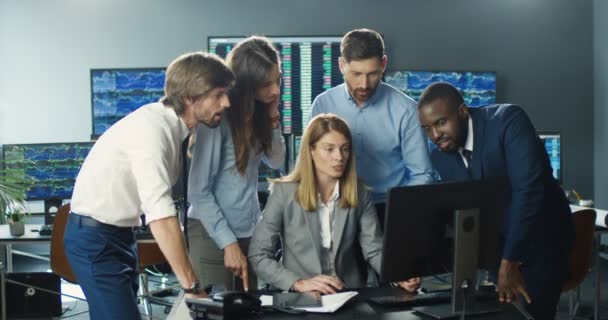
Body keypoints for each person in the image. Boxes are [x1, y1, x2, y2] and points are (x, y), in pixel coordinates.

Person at [64, 52, 234, 319]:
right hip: (96, 240)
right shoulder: (151, 132)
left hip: (120, 236)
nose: (226, 103)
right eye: (218, 94)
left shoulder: (177, 129)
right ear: (190, 97)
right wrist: (191, 286)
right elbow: (161, 216)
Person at [417, 82, 574, 320]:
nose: (435, 135)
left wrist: (509, 262)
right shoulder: (440, 156)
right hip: (498, 252)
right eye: (427, 128)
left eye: (441, 123)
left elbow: (529, 191)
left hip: (543, 242)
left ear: (462, 112)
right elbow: (466, 206)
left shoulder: (508, 121)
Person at [248, 113, 421, 294]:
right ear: (311, 151)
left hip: (347, 294)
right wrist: (299, 283)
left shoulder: (359, 193)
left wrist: (398, 275)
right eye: (329, 149)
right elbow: (258, 255)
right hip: (299, 297)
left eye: (344, 149)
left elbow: (374, 250)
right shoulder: (284, 192)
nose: (339, 157)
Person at [187, 36, 285, 292]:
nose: (275, 90)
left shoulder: (261, 111)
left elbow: (277, 160)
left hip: (247, 231)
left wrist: (274, 117)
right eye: (266, 84)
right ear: (246, 85)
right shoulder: (217, 120)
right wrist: (228, 243)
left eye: (278, 79)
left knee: (248, 311)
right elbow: (198, 191)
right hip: (213, 234)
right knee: (217, 312)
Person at [309, 28, 434, 224]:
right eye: (356, 74)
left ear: (383, 64)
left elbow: (421, 174)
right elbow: (309, 163)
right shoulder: (323, 105)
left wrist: (404, 214)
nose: (364, 84)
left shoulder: (407, 110)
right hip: (335, 208)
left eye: (373, 74)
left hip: (390, 209)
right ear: (342, 65)